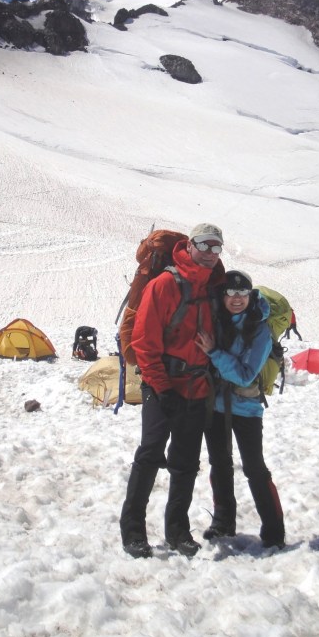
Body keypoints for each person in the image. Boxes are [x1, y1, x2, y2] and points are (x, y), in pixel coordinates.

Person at [119, 223, 226, 559]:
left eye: (216, 247)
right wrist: (163, 389)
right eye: (204, 245)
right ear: (189, 245)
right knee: (150, 455)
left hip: (196, 386)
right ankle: (133, 531)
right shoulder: (165, 284)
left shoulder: (213, 287)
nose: (210, 253)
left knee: (186, 462)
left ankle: (178, 531)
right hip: (162, 385)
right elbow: (144, 342)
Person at [196, 270, 286, 550]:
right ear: (223, 296)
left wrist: (214, 353)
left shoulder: (260, 330)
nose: (237, 299)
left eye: (243, 294)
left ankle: (274, 531)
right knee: (219, 464)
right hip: (216, 405)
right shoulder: (216, 321)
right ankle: (223, 522)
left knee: (254, 468)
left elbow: (246, 375)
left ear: (250, 295)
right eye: (231, 293)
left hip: (246, 409)